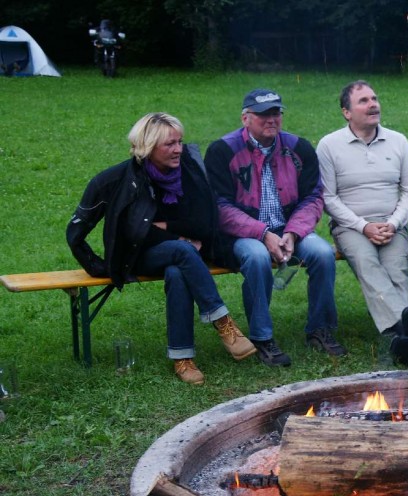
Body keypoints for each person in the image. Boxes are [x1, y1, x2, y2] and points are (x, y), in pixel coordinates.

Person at [66, 112, 256, 385]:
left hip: (185, 254)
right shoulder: (115, 179)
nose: (178, 149)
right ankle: (224, 324)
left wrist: (168, 228)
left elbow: (206, 223)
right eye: (170, 144)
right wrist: (98, 266)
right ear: (148, 146)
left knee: (178, 270)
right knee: (183, 251)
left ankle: (182, 358)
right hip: (137, 256)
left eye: (180, 141)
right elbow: (80, 231)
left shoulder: (189, 171)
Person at [205, 89, 345, 367]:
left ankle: (320, 329)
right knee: (256, 257)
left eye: (276, 113)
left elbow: (313, 197)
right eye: (263, 114)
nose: (271, 119)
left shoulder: (299, 148)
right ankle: (262, 337)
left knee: (322, 253)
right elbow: (219, 207)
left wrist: (292, 233)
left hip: (291, 228)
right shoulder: (222, 151)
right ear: (246, 118)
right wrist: (263, 233)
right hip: (240, 233)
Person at [316, 80, 408, 365]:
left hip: (393, 224)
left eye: (374, 98)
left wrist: (393, 223)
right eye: (363, 101)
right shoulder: (329, 145)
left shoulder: (398, 141)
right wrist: (363, 226)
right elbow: (328, 198)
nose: (373, 104)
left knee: (395, 268)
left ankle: (400, 339)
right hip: (350, 226)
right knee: (367, 263)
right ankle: (407, 327)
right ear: (346, 112)